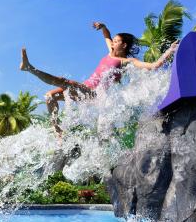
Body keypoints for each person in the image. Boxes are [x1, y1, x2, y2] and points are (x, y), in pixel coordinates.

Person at [20, 22, 178, 137]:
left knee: (66, 82)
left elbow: (153, 66)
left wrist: (170, 51)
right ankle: (57, 130)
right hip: (83, 89)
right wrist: (103, 27)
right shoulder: (110, 51)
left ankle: (29, 68)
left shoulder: (127, 62)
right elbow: (106, 36)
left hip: (93, 94)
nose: (113, 42)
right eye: (114, 41)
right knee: (50, 97)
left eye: (116, 41)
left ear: (123, 45)